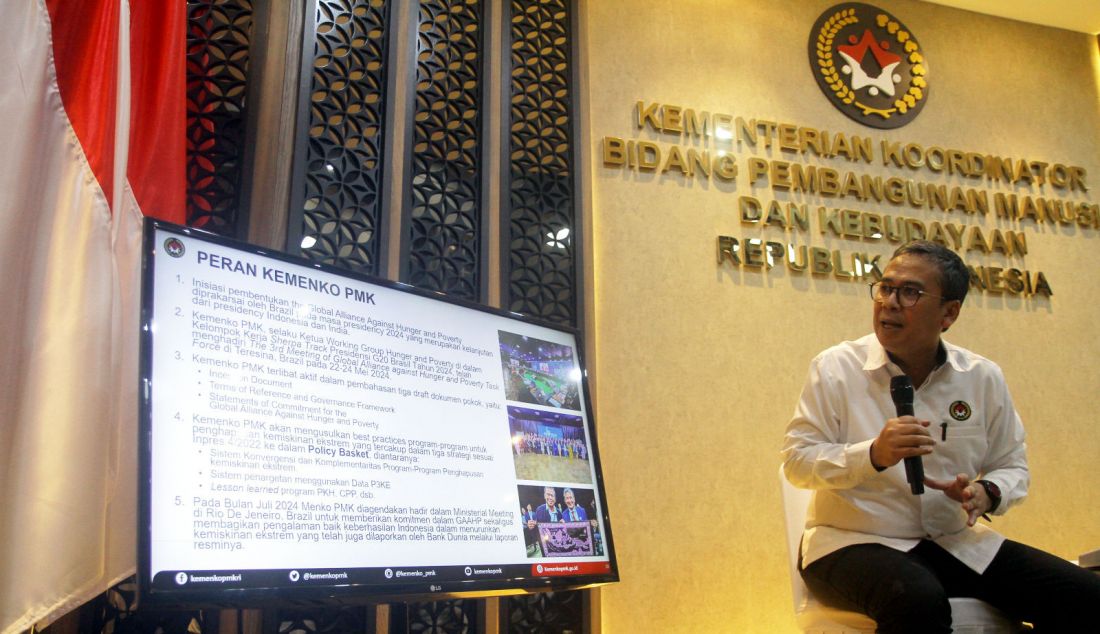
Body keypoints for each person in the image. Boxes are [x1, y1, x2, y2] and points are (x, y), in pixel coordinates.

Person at [781, 240, 1100, 633]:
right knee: (916, 600)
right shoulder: (836, 368)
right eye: (885, 287)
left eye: (910, 292)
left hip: (951, 540)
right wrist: (874, 454)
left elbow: (1011, 463)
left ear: (949, 313)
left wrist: (987, 493)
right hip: (851, 542)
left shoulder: (981, 376)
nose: (890, 302)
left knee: (1087, 596)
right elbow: (798, 461)